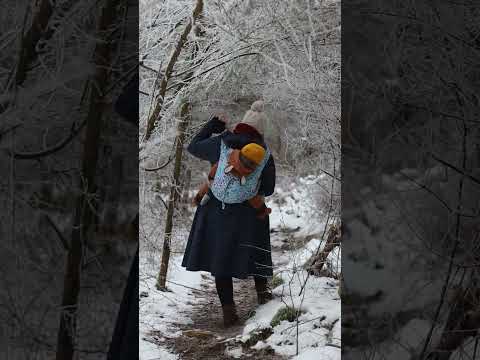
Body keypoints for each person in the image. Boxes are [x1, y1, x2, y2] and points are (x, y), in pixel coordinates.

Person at [182, 100, 276, 327]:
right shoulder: (264, 154)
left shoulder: (222, 143)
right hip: (247, 213)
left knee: (220, 257)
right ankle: (263, 298)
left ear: (241, 124)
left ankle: (228, 311)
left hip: (216, 210)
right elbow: (269, 189)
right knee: (256, 248)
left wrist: (213, 126)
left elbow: (193, 146)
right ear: (261, 131)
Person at [193, 142, 272, 219]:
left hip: (217, 194)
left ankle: (199, 198)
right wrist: (262, 210)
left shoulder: (228, 157)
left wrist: (200, 196)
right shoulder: (253, 175)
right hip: (235, 202)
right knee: (249, 193)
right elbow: (255, 198)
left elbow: (212, 176)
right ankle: (261, 211)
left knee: (213, 182)